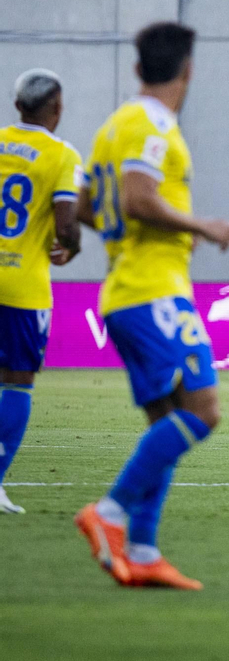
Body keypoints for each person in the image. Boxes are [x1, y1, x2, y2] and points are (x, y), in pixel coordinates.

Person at [74, 22, 229, 590]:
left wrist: (140, 231)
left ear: (139, 68)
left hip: (125, 289)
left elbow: (90, 207)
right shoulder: (155, 124)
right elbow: (141, 197)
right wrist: (200, 225)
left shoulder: (112, 126)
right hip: (154, 289)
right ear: (187, 70)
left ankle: (142, 551)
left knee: (165, 421)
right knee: (204, 409)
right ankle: (111, 513)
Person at [0, 70, 83, 515]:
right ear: (57, 108)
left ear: (17, 106)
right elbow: (66, 224)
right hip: (21, 287)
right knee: (17, 381)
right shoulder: (61, 155)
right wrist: (71, 245)